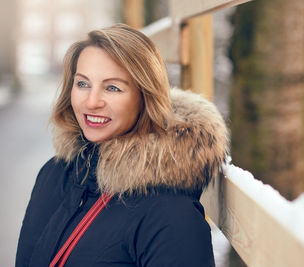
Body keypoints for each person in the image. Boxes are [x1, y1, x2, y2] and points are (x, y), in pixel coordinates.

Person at [16, 23, 229, 267]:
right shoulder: (54, 174)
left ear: (145, 96)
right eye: (83, 83)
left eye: (113, 87)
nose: (91, 102)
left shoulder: (170, 214)